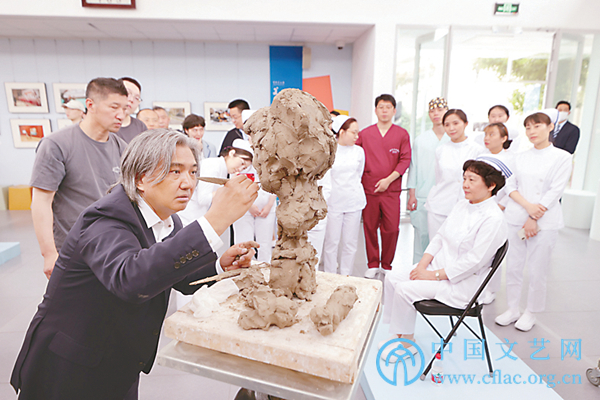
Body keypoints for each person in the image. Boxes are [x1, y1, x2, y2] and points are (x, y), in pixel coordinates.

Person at [11, 129, 259, 400]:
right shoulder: (105, 219)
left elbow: (171, 273)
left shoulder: (168, 220)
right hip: (70, 367)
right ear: (141, 178)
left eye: (192, 172)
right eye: (175, 171)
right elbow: (131, 280)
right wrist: (215, 220)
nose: (188, 183)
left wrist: (220, 266)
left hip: (117, 362)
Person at [380, 160, 507, 357]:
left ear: (491, 185)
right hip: (437, 268)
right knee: (392, 277)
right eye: (464, 178)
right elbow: (440, 237)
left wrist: (433, 276)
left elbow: (474, 262)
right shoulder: (462, 205)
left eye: (472, 180)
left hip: (461, 284)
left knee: (404, 289)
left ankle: (406, 344)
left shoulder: (493, 219)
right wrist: (422, 266)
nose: (465, 184)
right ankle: (397, 333)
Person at [30, 77, 129, 279]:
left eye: (125, 108)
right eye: (114, 107)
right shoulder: (56, 144)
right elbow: (41, 201)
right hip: (72, 251)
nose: (121, 115)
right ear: (90, 105)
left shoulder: (122, 148)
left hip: (112, 249)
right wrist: (49, 254)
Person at [495, 110, 572, 332]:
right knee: (513, 267)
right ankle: (512, 308)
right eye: (528, 127)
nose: (532, 131)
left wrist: (533, 216)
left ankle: (531, 312)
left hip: (544, 222)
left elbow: (555, 190)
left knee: (538, 270)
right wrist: (528, 208)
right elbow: (510, 186)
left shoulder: (562, 157)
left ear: (550, 127)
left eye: (537, 126)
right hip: (516, 217)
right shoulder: (519, 157)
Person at [356, 94, 411, 278]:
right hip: (370, 189)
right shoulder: (365, 134)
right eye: (381, 107)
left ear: (394, 111)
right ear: (376, 110)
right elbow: (356, 157)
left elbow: (405, 160)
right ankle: (372, 263)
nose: (384, 110)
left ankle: (386, 264)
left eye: (388, 107)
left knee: (392, 228)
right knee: (370, 227)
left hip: (391, 190)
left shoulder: (401, 134)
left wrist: (388, 180)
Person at [425, 109, 484, 239]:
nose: (451, 128)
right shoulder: (441, 150)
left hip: (467, 207)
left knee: (461, 245)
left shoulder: (477, 150)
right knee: (436, 245)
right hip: (439, 207)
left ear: (465, 124)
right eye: (447, 125)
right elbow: (439, 178)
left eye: (456, 123)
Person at [406, 97, 450, 264]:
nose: (436, 113)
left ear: (447, 111)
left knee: (445, 240)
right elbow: (414, 168)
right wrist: (412, 194)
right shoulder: (421, 140)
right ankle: (416, 271)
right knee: (421, 237)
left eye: (440, 109)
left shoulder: (453, 139)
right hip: (423, 195)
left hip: (447, 197)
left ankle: (438, 272)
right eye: (432, 110)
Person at [322, 115, 366, 276]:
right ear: (342, 132)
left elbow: (359, 174)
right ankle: (330, 275)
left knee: (350, 243)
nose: (356, 136)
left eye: (357, 132)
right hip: (334, 202)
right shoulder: (330, 151)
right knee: (332, 242)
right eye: (353, 132)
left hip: (354, 202)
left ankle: (346, 275)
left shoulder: (359, 152)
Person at [178, 139, 253, 227]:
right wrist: (227, 189)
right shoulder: (213, 166)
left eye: (244, 168)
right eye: (241, 163)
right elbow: (203, 199)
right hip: (188, 217)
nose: (239, 169)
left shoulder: (222, 169)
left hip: (196, 217)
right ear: (232, 153)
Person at [115, 77, 147, 143]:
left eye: (136, 98)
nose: (131, 100)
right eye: (128, 93)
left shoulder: (140, 127)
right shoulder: (102, 122)